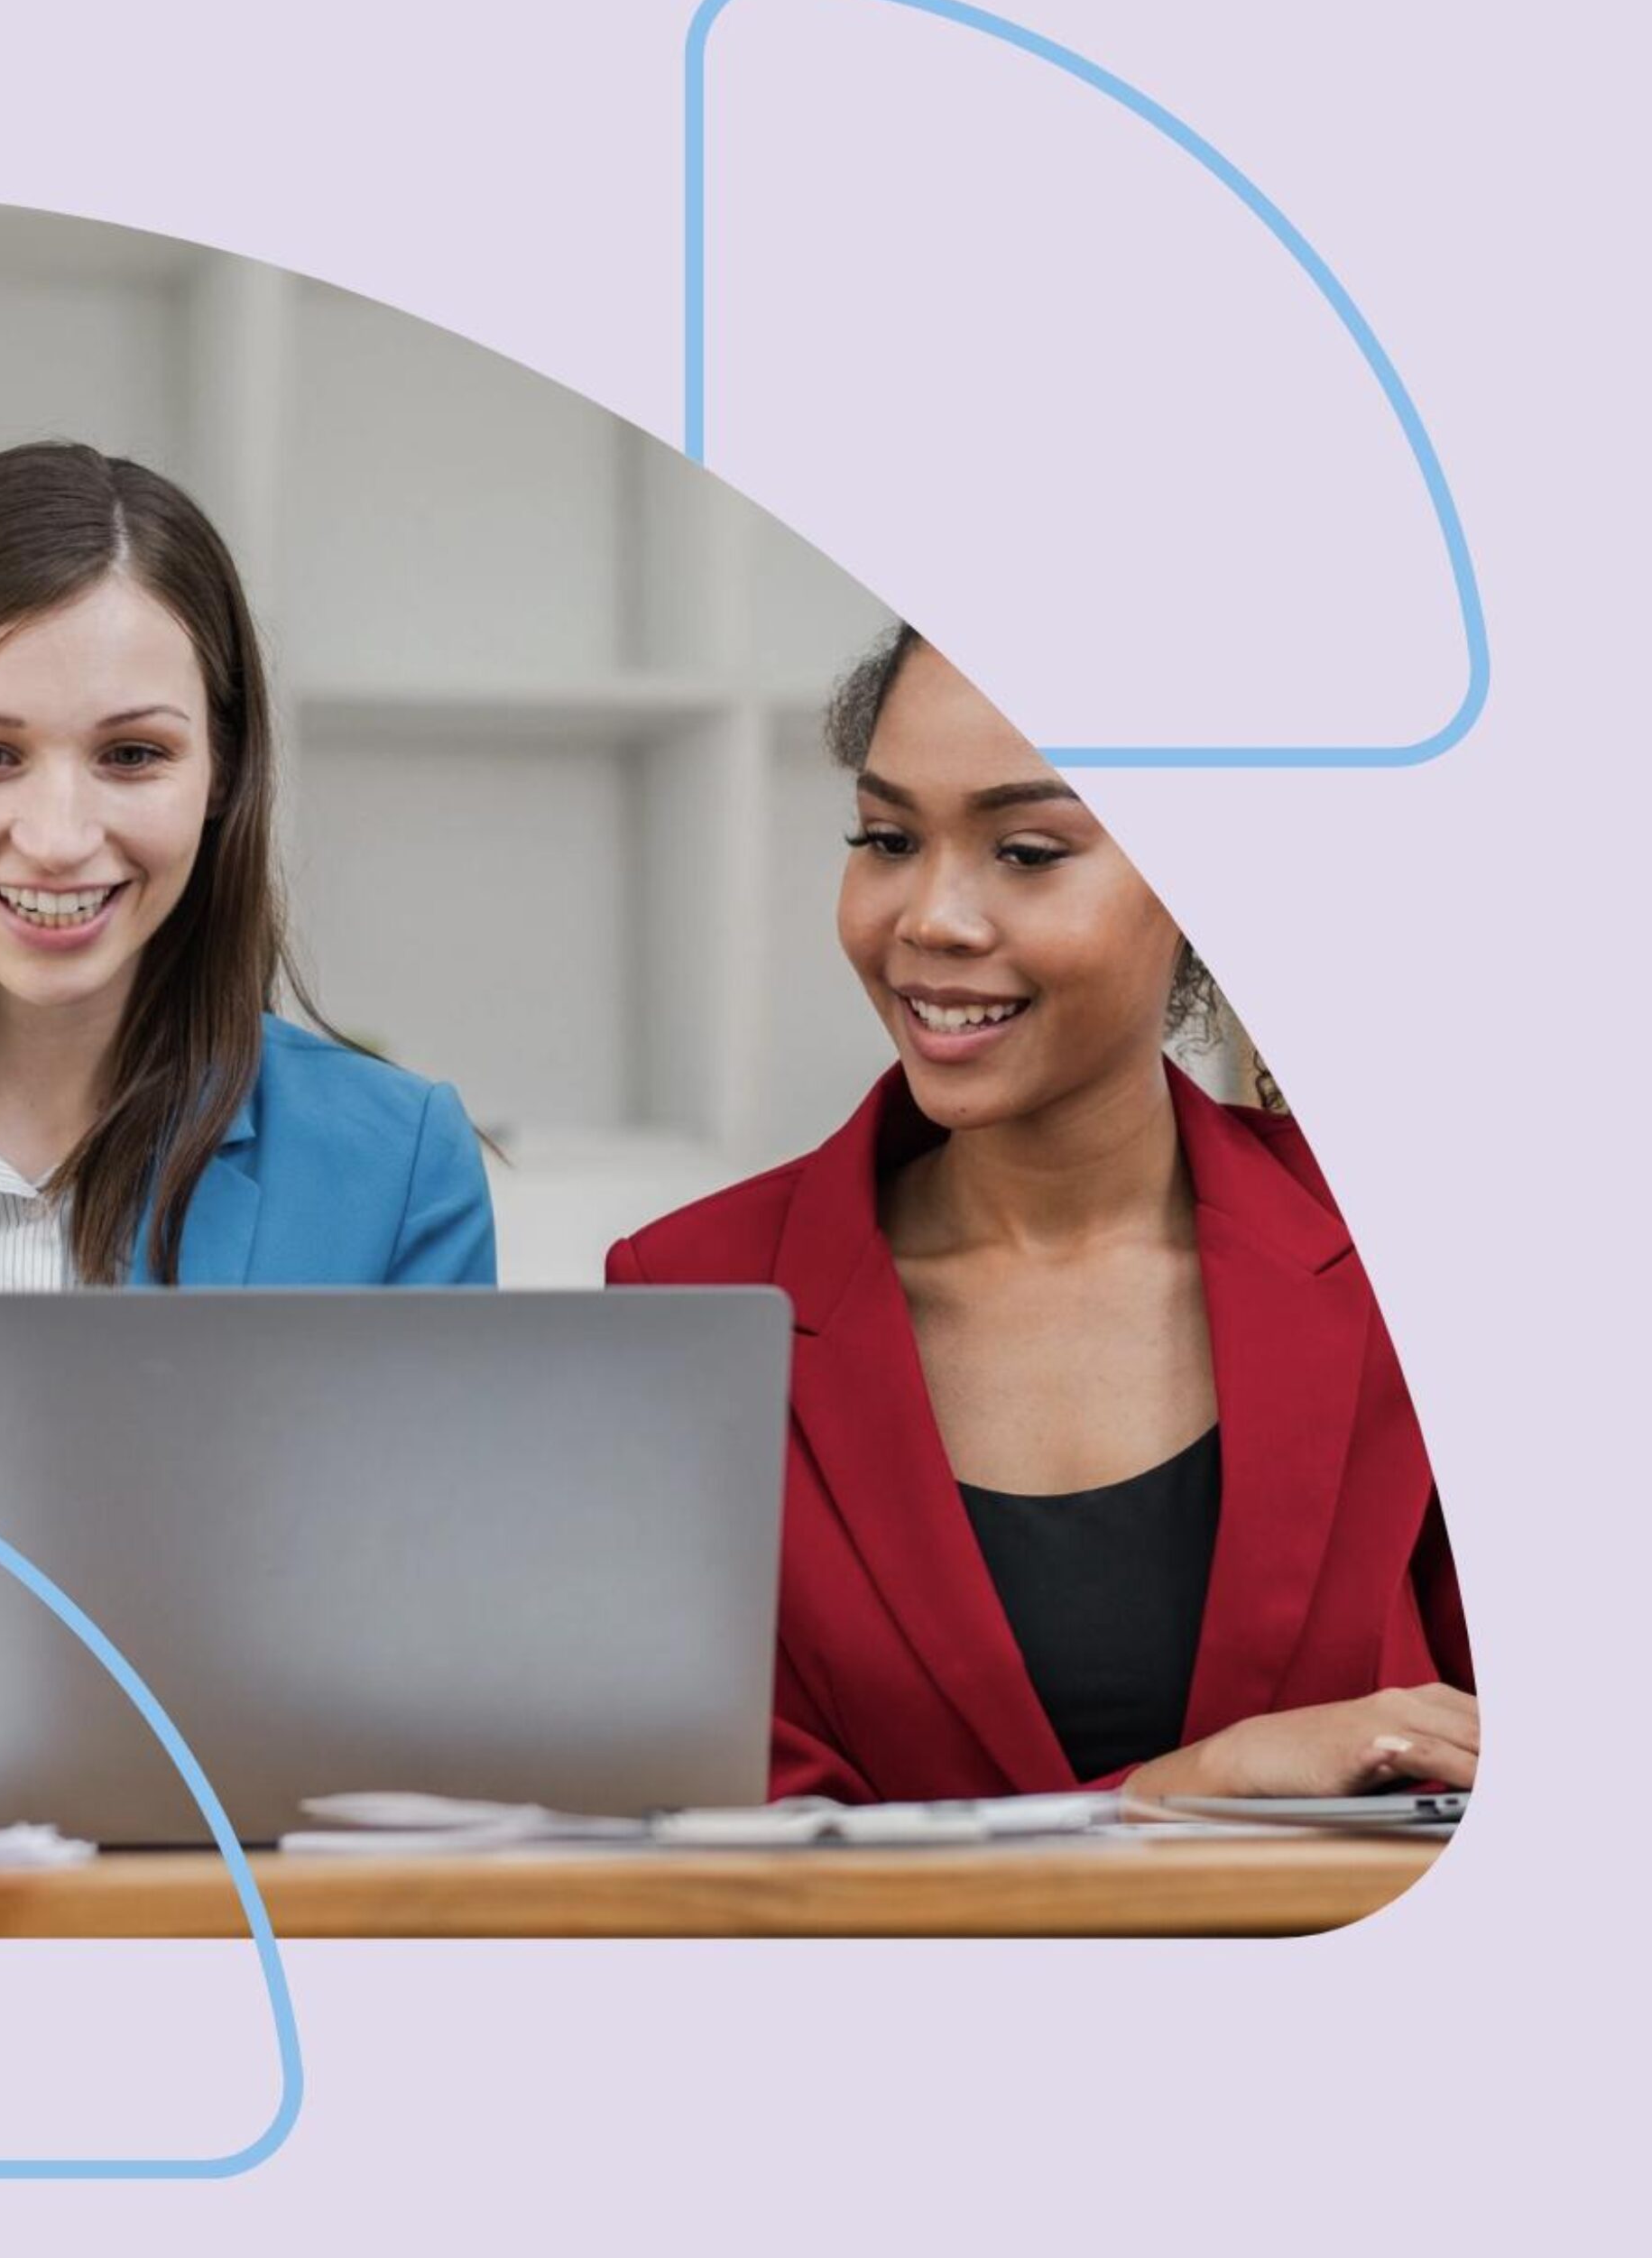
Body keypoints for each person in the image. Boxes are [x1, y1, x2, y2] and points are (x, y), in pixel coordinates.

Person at [0, 442, 496, 1826]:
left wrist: (43, 1593)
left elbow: (435, 1690)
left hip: (179, 1941)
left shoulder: (390, 1165)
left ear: (222, 773)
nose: (60, 833)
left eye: (134, 754)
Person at [608, 627, 1474, 1803]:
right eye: (888, 839)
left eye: (1024, 849)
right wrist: (1170, 1794)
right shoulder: (692, 1298)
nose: (930, 918)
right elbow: (719, 1853)